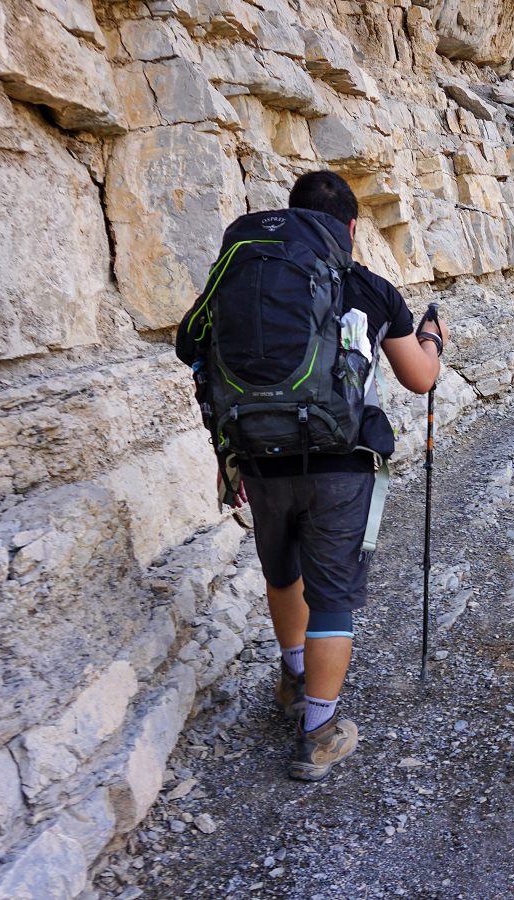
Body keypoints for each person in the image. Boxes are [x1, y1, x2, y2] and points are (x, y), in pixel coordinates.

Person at [177, 171, 448, 782]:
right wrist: (430, 337)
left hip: (258, 457)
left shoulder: (240, 281)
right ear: (350, 229)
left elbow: (188, 345)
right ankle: (319, 733)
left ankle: (293, 678)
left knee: (282, 571)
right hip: (340, 465)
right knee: (333, 597)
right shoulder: (366, 285)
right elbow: (420, 378)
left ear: (295, 216)